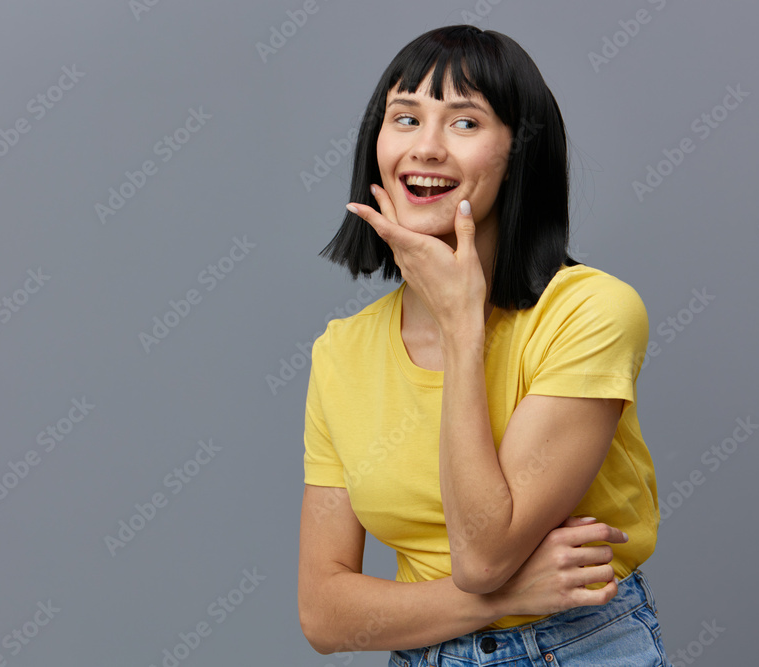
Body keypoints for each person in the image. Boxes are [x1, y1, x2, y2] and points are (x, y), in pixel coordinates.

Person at [298, 25, 671, 666]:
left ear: (520, 152)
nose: (426, 147)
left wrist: (461, 329)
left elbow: (482, 555)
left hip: (577, 646)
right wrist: (499, 600)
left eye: (465, 123)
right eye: (405, 118)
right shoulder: (341, 352)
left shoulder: (591, 312)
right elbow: (324, 615)